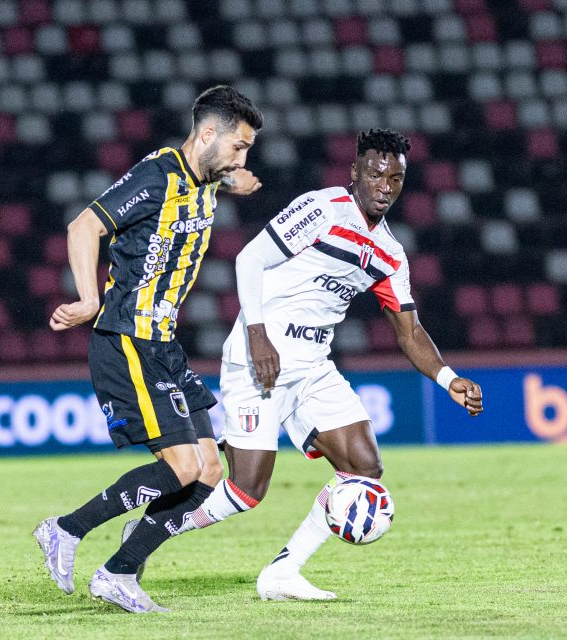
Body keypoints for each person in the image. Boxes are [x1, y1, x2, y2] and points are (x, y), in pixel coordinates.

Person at [168, 128, 484, 600]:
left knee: (364, 467)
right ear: (355, 172)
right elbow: (250, 260)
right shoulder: (322, 209)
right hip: (262, 357)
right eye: (375, 174)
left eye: (395, 179)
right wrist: (257, 336)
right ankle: (153, 530)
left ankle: (281, 573)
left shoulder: (390, 254)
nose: (384, 186)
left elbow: (409, 332)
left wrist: (448, 378)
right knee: (247, 490)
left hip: (313, 365)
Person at [33, 85, 263, 613]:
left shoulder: (205, 176)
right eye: (238, 147)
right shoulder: (157, 175)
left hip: (164, 345)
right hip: (126, 339)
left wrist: (233, 179)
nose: (242, 158)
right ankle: (66, 530)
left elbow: (210, 179)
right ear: (208, 133)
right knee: (182, 466)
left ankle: (120, 569)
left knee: (210, 471)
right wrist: (89, 298)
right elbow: (83, 226)